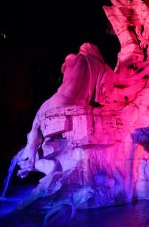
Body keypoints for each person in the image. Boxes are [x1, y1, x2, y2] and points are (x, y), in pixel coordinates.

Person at [17, 43, 113, 178]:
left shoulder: (75, 58)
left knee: (35, 125)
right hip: (80, 105)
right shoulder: (101, 67)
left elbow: (64, 69)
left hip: (61, 99)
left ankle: (31, 160)